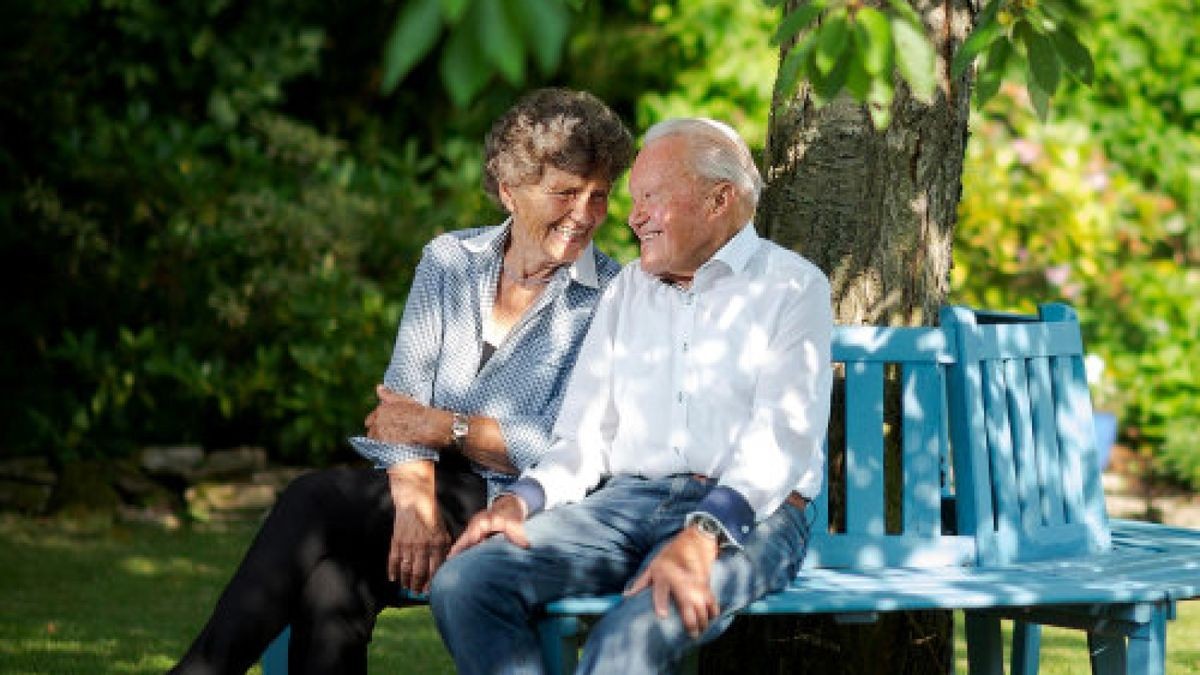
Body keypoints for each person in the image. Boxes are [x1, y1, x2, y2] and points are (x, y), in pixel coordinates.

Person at [170, 88, 634, 675]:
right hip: (422, 486)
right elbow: (398, 408)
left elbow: (573, 447)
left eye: (599, 197)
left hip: (524, 506)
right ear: (510, 191)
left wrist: (447, 427)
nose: (585, 215)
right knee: (332, 581)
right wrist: (414, 503)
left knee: (313, 500)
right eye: (566, 193)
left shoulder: (612, 298)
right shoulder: (449, 260)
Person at [430, 117, 834, 674]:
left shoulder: (794, 287)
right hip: (621, 507)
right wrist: (518, 502)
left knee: (628, 641)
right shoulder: (627, 291)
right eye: (635, 199)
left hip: (750, 519)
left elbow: (780, 440)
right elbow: (584, 436)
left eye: (651, 198)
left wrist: (704, 534)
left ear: (719, 199)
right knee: (466, 582)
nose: (632, 215)